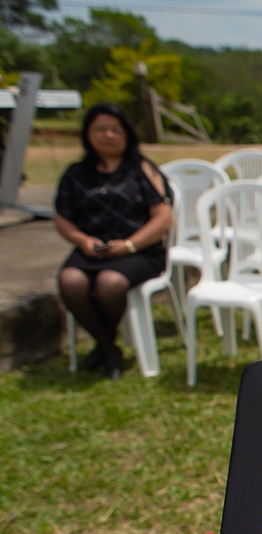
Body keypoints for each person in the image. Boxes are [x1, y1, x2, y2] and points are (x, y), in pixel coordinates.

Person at [54, 103, 174, 380]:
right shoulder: (76, 173)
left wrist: (130, 244)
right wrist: (82, 240)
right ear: (87, 134)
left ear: (128, 134)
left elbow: (163, 217)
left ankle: (105, 348)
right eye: (101, 129)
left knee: (110, 283)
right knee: (70, 281)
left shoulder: (142, 170)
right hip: (93, 249)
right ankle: (109, 347)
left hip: (140, 250)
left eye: (116, 130)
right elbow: (63, 218)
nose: (109, 135)